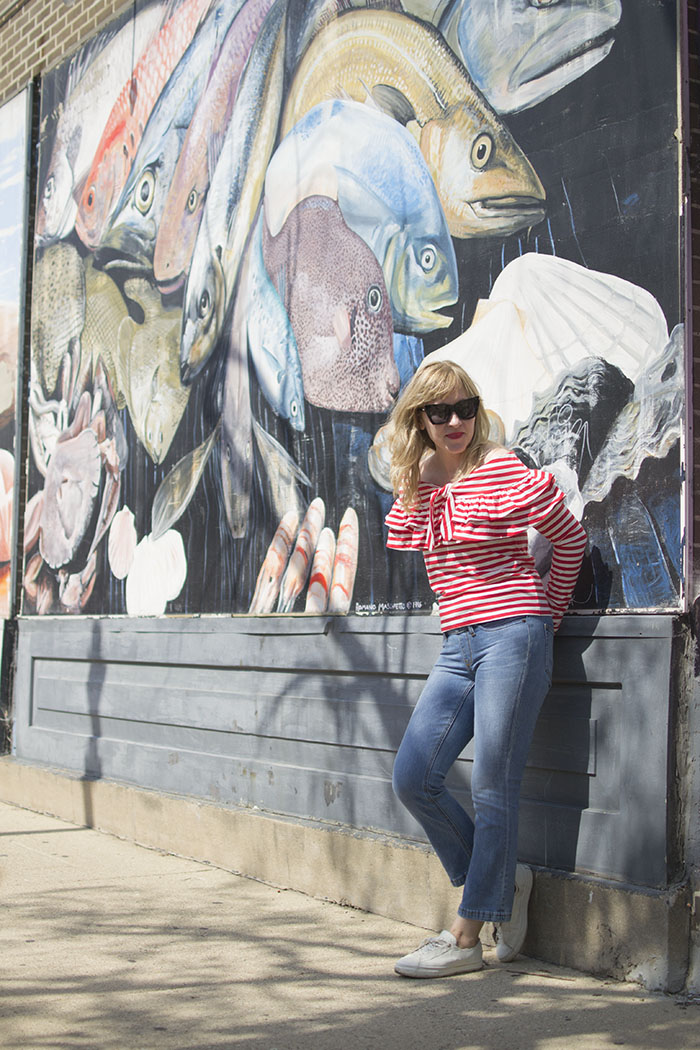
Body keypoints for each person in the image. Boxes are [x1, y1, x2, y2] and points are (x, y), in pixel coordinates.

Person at [385, 359, 587, 979]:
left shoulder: (501, 468)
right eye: (440, 411)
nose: (455, 421)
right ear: (420, 418)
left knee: (493, 784)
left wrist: (545, 619)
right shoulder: (418, 483)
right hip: (457, 646)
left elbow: (570, 540)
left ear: (477, 409)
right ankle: (503, 882)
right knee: (413, 776)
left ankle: (466, 937)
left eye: (465, 407)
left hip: (514, 637)